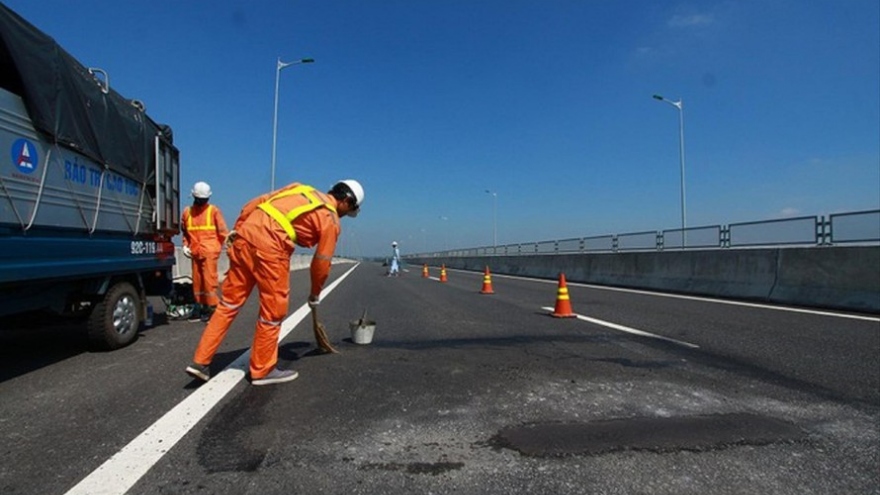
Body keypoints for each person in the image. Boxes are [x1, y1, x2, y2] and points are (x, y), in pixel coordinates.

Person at [185, 179, 364, 386]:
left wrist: (239, 229)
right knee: (273, 312)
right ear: (347, 201)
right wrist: (315, 294)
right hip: (271, 248)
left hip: (246, 238)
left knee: (228, 305)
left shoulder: (300, 188)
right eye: (348, 210)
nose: (344, 215)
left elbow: (257, 202)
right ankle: (263, 370)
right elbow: (321, 263)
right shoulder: (330, 219)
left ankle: (200, 362)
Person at [181, 181, 229, 323]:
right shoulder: (187, 212)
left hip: (209, 251)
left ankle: (213, 309)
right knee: (197, 282)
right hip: (195, 251)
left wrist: (230, 247)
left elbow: (223, 232)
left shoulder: (213, 211)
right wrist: (185, 245)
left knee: (209, 282)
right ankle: (199, 308)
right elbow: (185, 232)